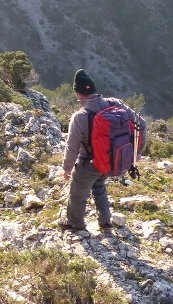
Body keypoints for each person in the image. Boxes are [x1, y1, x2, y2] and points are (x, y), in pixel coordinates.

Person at [59, 69, 140, 232]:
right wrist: (136, 153)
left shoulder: (80, 116)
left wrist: (67, 168)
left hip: (89, 163)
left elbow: (72, 147)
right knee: (99, 186)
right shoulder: (115, 103)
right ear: (95, 90)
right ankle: (105, 223)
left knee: (78, 193)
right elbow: (141, 123)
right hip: (113, 160)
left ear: (79, 94)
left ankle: (75, 224)